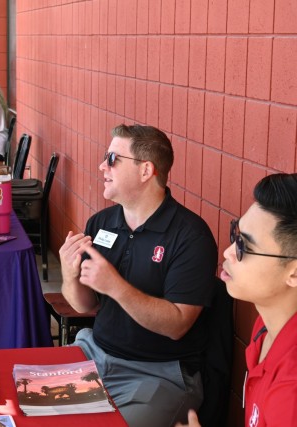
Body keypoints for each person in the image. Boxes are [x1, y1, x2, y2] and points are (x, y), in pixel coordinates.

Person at [59, 124, 218, 427]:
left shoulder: (190, 236)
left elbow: (177, 325)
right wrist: (69, 274)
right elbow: (84, 306)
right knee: (29, 408)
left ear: (146, 170)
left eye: (113, 159)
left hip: (159, 373)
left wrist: (116, 286)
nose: (102, 166)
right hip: (95, 352)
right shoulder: (101, 222)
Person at [177, 173, 297, 427]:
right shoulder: (266, 326)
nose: (228, 252)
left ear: (294, 272)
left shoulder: (291, 389)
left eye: (244, 246)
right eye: (235, 234)